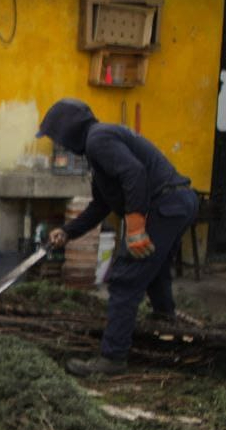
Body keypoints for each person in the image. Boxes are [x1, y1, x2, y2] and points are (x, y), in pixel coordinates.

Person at [38, 98, 198, 376]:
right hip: (176, 203)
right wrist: (68, 231)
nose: (59, 144)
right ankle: (167, 329)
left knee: (125, 279)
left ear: (68, 131)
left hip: (167, 203)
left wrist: (135, 225)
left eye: (57, 137)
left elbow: (134, 174)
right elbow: (101, 206)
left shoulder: (99, 140)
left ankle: (112, 358)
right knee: (154, 269)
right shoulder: (98, 147)